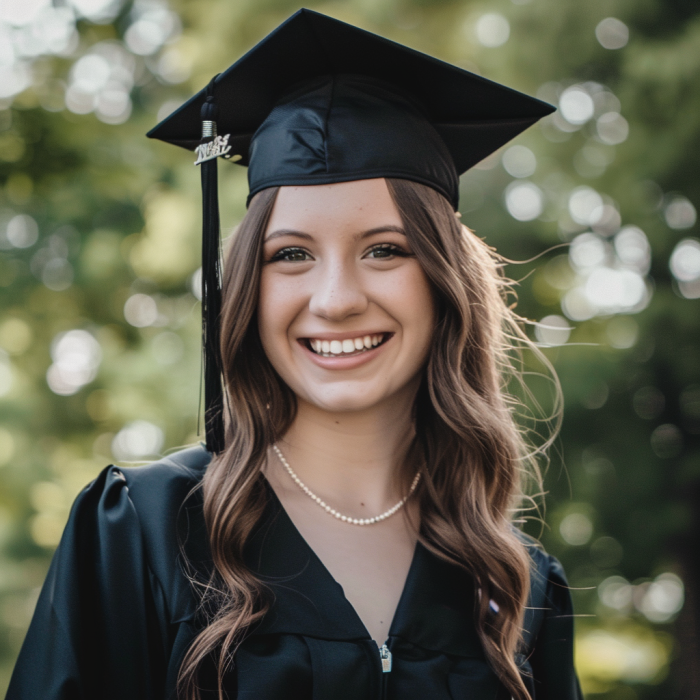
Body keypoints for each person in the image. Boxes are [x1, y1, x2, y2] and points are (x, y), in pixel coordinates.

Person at [6, 9, 583, 700]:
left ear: (444, 283)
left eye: (384, 249)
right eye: (292, 255)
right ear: (250, 285)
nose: (335, 298)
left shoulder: (514, 586)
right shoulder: (148, 532)